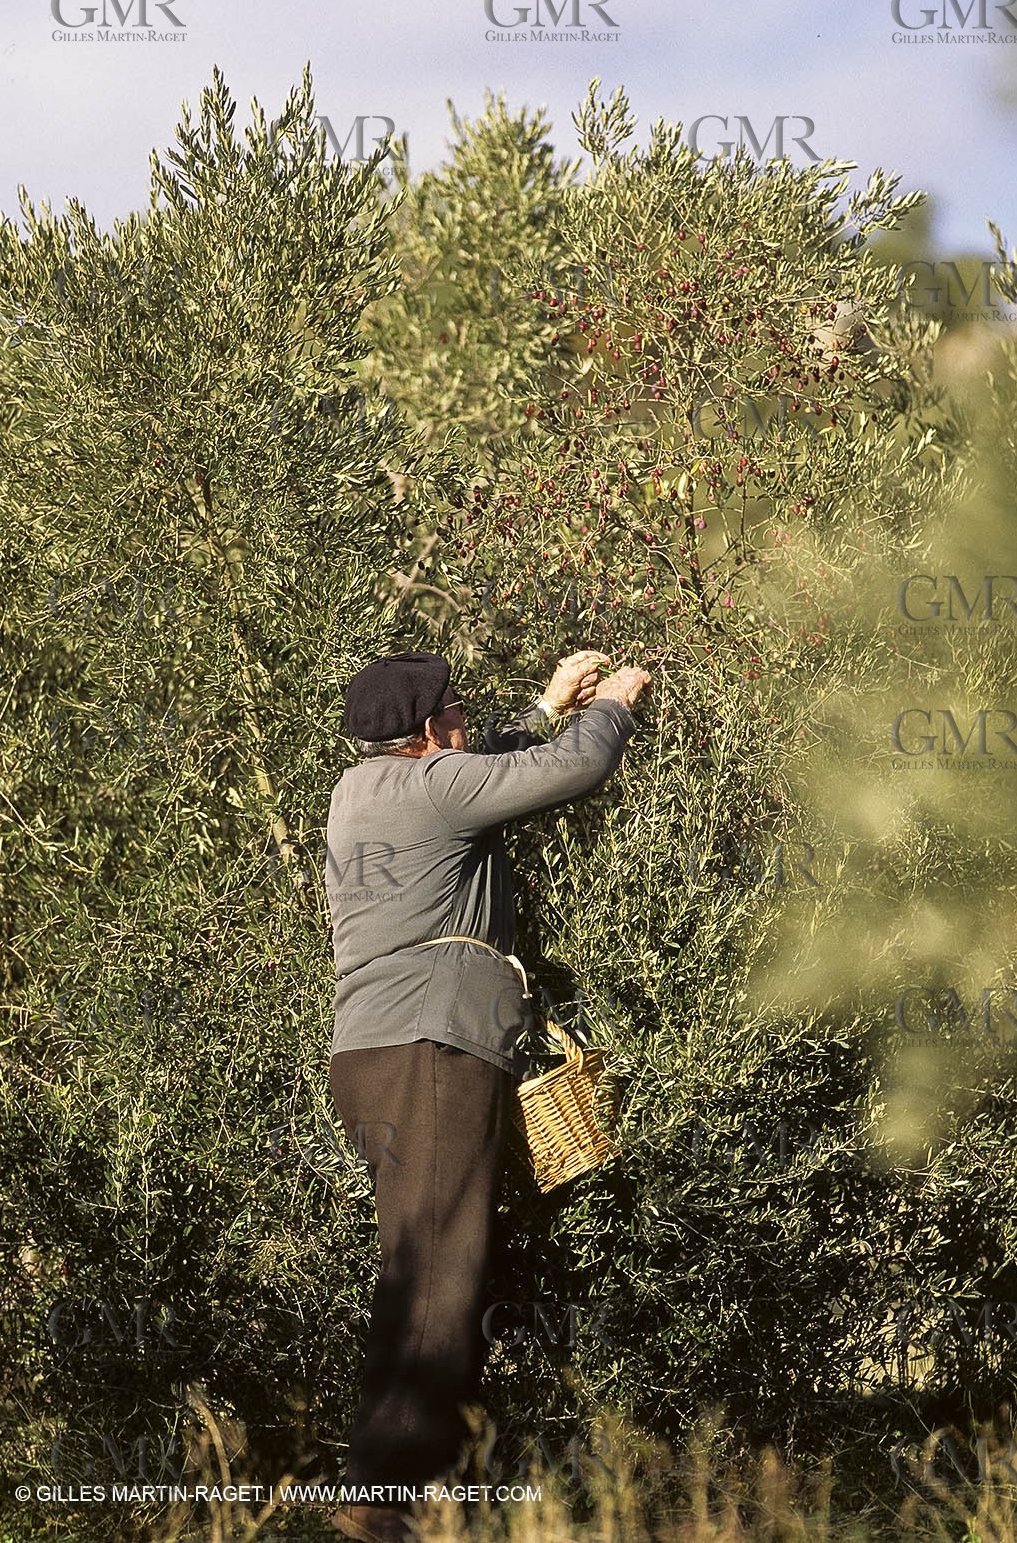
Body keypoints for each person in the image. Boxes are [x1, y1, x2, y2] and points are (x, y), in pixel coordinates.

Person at [325, 648, 651, 1542]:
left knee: (416, 1265)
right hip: (430, 1049)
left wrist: (544, 709)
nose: (464, 720)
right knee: (439, 1273)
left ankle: (422, 1492)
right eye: (458, 711)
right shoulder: (433, 788)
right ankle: (386, 1504)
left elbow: (485, 772)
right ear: (429, 730)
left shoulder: (359, 792)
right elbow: (570, 771)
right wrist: (611, 709)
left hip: (374, 1053)